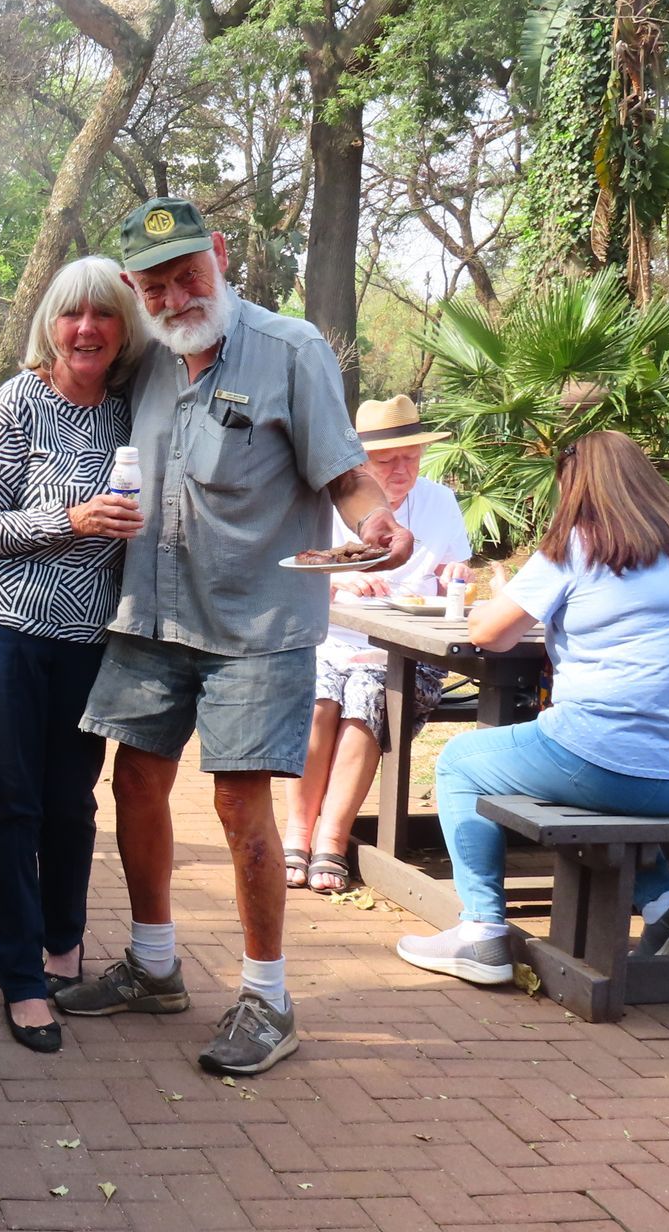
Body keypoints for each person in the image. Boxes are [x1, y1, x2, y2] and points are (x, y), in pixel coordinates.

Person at [54, 197, 413, 1077]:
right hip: (152, 611)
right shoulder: (146, 360)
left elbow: (345, 476)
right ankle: (153, 964)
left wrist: (381, 528)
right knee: (134, 779)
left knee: (237, 802)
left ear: (219, 254)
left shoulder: (291, 350)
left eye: (188, 275)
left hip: (257, 620)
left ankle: (267, 997)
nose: (177, 297)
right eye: (156, 286)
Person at [396, 430, 669, 984]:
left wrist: (499, 596)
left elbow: (491, 634)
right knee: (612, 768)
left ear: (574, 484)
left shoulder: (583, 542)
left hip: (617, 767)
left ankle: (482, 932)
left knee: (462, 761)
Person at [0, 256, 146, 1055]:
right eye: (72, 315)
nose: (87, 329)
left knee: (73, 804)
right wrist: (72, 521)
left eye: (103, 316)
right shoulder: (18, 402)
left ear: (123, 330)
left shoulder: (134, 413)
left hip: (87, 641)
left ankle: (63, 949)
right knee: (13, 804)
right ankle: (21, 982)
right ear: (50, 324)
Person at [283, 394, 473, 895]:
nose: (401, 470)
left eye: (411, 458)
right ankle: (297, 835)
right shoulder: (329, 502)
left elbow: (450, 574)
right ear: (359, 463)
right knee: (321, 695)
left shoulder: (439, 502)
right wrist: (336, 580)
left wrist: (454, 573)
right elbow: (292, 568)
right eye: (386, 461)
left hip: (408, 652)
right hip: (330, 637)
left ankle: (332, 836)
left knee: (369, 692)